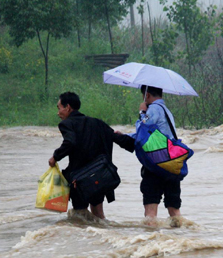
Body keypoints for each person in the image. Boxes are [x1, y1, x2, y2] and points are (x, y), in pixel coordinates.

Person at [48, 92, 134, 220]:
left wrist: (55, 157)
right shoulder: (97, 123)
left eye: (59, 108)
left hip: (79, 180)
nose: (58, 112)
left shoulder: (67, 124)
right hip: (100, 177)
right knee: (98, 215)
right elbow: (119, 138)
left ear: (68, 107)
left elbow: (70, 142)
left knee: (79, 216)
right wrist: (139, 143)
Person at [134, 85, 183, 227]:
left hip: (156, 164)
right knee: (174, 210)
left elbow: (142, 130)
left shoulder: (153, 109)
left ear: (147, 95)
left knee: (150, 210)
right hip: (171, 163)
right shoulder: (167, 111)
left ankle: (151, 241)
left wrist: (142, 112)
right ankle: (180, 238)